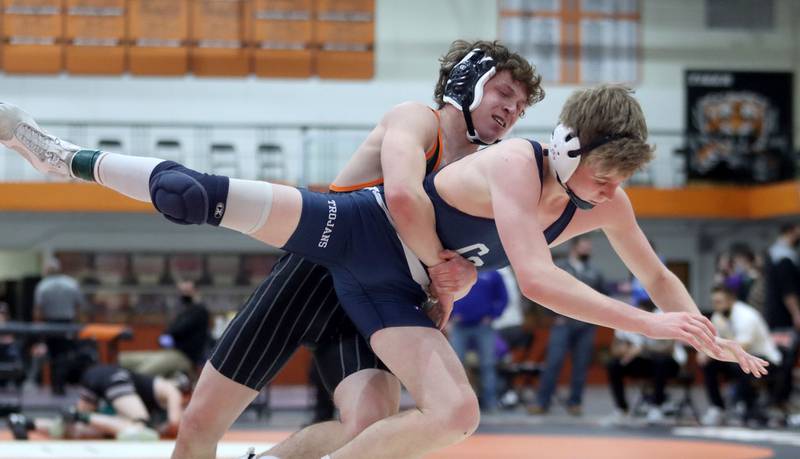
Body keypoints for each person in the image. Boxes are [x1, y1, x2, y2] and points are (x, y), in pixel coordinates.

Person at [0, 83, 770, 458]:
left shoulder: (604, 200)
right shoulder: (513, 163)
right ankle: (59, 154)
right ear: (569, 148)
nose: (608, 196)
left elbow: (664, 279)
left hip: (398, 291)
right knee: (193, 194)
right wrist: (650, 320)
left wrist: (703, 330)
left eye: (617, 184)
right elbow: (536, 281)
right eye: (603, 177)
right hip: (360, 233)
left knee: (457, 414)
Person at [7, 363, 190, 441]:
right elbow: (175, 425)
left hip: (97, 377)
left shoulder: (156, 388)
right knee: (142, 428)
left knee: (78, 430)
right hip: (114, 378)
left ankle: (25, 422)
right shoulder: (171, 389)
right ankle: (78, 414)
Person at [529, 236, 605, 415]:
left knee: (581, 365)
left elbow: (604, 296)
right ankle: (542, 402)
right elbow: (546, 291)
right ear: (574, 248)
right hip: (562, 323)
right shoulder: (559, 267)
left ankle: (575, 403)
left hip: (586, 325)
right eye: (584, 247)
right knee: (553, 362)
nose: (587, 251)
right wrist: (552, 316)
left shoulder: (595, 271)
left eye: (589, 248)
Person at [700, 285, 782, 426]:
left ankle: (749, 409)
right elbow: (712, 341)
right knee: (709, 364)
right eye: (714, 302)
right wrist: (703, 352)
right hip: (738, 359)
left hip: (766, 359)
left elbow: (743, 346)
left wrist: (712, 352)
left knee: (740, 365)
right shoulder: (717, 316)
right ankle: (718, 408)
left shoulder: (746, 315)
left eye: (719, 302)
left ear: (731, 300)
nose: (716, 306)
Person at [604, 300, 685, 425]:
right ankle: (621, 408)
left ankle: (656, 407)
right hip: (643, 363)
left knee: (661, 363)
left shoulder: (664, 317)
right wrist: (622, 350)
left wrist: (643, 348)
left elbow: (669, 348)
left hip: (669, 362)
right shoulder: (628, 319)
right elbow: (614, 348)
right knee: (614, 365)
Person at [120, 280, 210, 379]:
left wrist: (168, 334)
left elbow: (175, 330)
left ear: (196, 291)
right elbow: (169, 333)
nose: (183, 294)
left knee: (142, 372)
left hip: (183, 357)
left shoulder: (200, 311)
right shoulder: (185, 311)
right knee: (123, 358)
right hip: (169, 352)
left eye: (186, 291)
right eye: (182, 291)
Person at [449, 269, 508, 412]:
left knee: (488, 364)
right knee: (455, 366)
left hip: (483, 326)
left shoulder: (493, 273)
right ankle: (456, 405)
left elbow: (503, 298)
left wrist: (493, 315)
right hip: (459, 326)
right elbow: (446, 293)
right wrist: (450, 315)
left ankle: (491, 402)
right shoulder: (457, 269)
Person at [33, 257, 87, 395]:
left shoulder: (43, 285)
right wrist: (78, 326)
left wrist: (38, 329)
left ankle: (56, 385)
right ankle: (59, 384)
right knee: (64, 355)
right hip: (67, 324)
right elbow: (79, 307)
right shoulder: (71, 283)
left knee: (54, 355)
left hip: (51, 324)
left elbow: (38, 310)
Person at [764, 223, 800, 411]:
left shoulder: (773, 254)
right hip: (783, 320)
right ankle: (779, 401)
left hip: (773, 317)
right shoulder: (784, 258)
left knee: (778, 359)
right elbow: (789, 291)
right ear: (791, 231)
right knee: (784, 361)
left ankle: (776, 400)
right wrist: (796, 313)